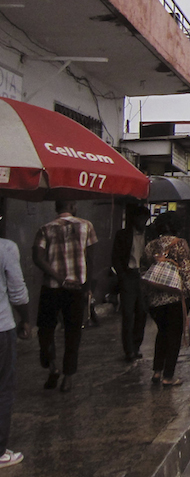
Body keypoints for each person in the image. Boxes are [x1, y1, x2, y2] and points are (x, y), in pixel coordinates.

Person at [32, 200, 98, 393]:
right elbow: (90, 258)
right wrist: (86, 285)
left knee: (45, 329)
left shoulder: (45, 229)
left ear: (56, 208)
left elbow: (38, 258)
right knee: (73, 332)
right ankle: (68, 377)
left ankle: (53, 366)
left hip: (51, 287)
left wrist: (59, 278)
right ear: (73, 206)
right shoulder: (87, 226)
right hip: (77, 288)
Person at [141, 212, 190, 386]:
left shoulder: (151, 246)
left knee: (162, 333)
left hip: (155, 299)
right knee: (174, 336)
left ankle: (157, 371)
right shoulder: (180, 245)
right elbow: (187, 272)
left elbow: (144, 268)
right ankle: (168, 375)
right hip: (176, 298)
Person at [0, 230, 31, 468]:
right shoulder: (6, 248)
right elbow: (18, 292)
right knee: (3, 389)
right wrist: (25, 319)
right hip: (1, 328)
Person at [111, 202, 149, 362]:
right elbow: (115, 257)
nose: (143, 222)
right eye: (141, 219)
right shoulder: (123, 235)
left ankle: (136, 345)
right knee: (127, 314)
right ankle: (129, 350)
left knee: (142, 312)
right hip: (128, 276)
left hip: (144, 277)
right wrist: (122, 275)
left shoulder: (150, 235)